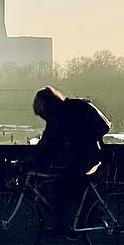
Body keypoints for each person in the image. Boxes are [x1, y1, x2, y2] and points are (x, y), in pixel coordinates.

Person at [33, 86, 111, 235]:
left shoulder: (76, 108)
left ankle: (62, 224)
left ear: (50, 107)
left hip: (94, 158)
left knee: (63, 183)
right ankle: (67, 220)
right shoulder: (57, 117)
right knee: (63, 181)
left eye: (44, 114)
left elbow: (104, 126)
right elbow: (48, 143)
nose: (45, 118)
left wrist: (83, 139)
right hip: (85, 157)